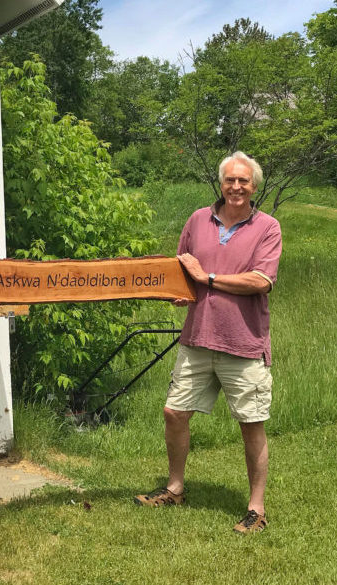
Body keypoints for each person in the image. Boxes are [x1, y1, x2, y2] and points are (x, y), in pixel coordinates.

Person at [134, 151, 282, 535]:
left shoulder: (268, 227)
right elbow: (183, 269)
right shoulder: (198, 220)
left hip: (243, 342)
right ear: (221, 182)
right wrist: (181, 291)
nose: (236, 187)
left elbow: (260, 281)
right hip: (197, 338)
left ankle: (256, 508)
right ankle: (175, 488)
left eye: (243, 181)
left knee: (251, 423)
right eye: (230, 180)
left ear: (254, 186)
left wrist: (209, 278)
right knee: (174, 412)